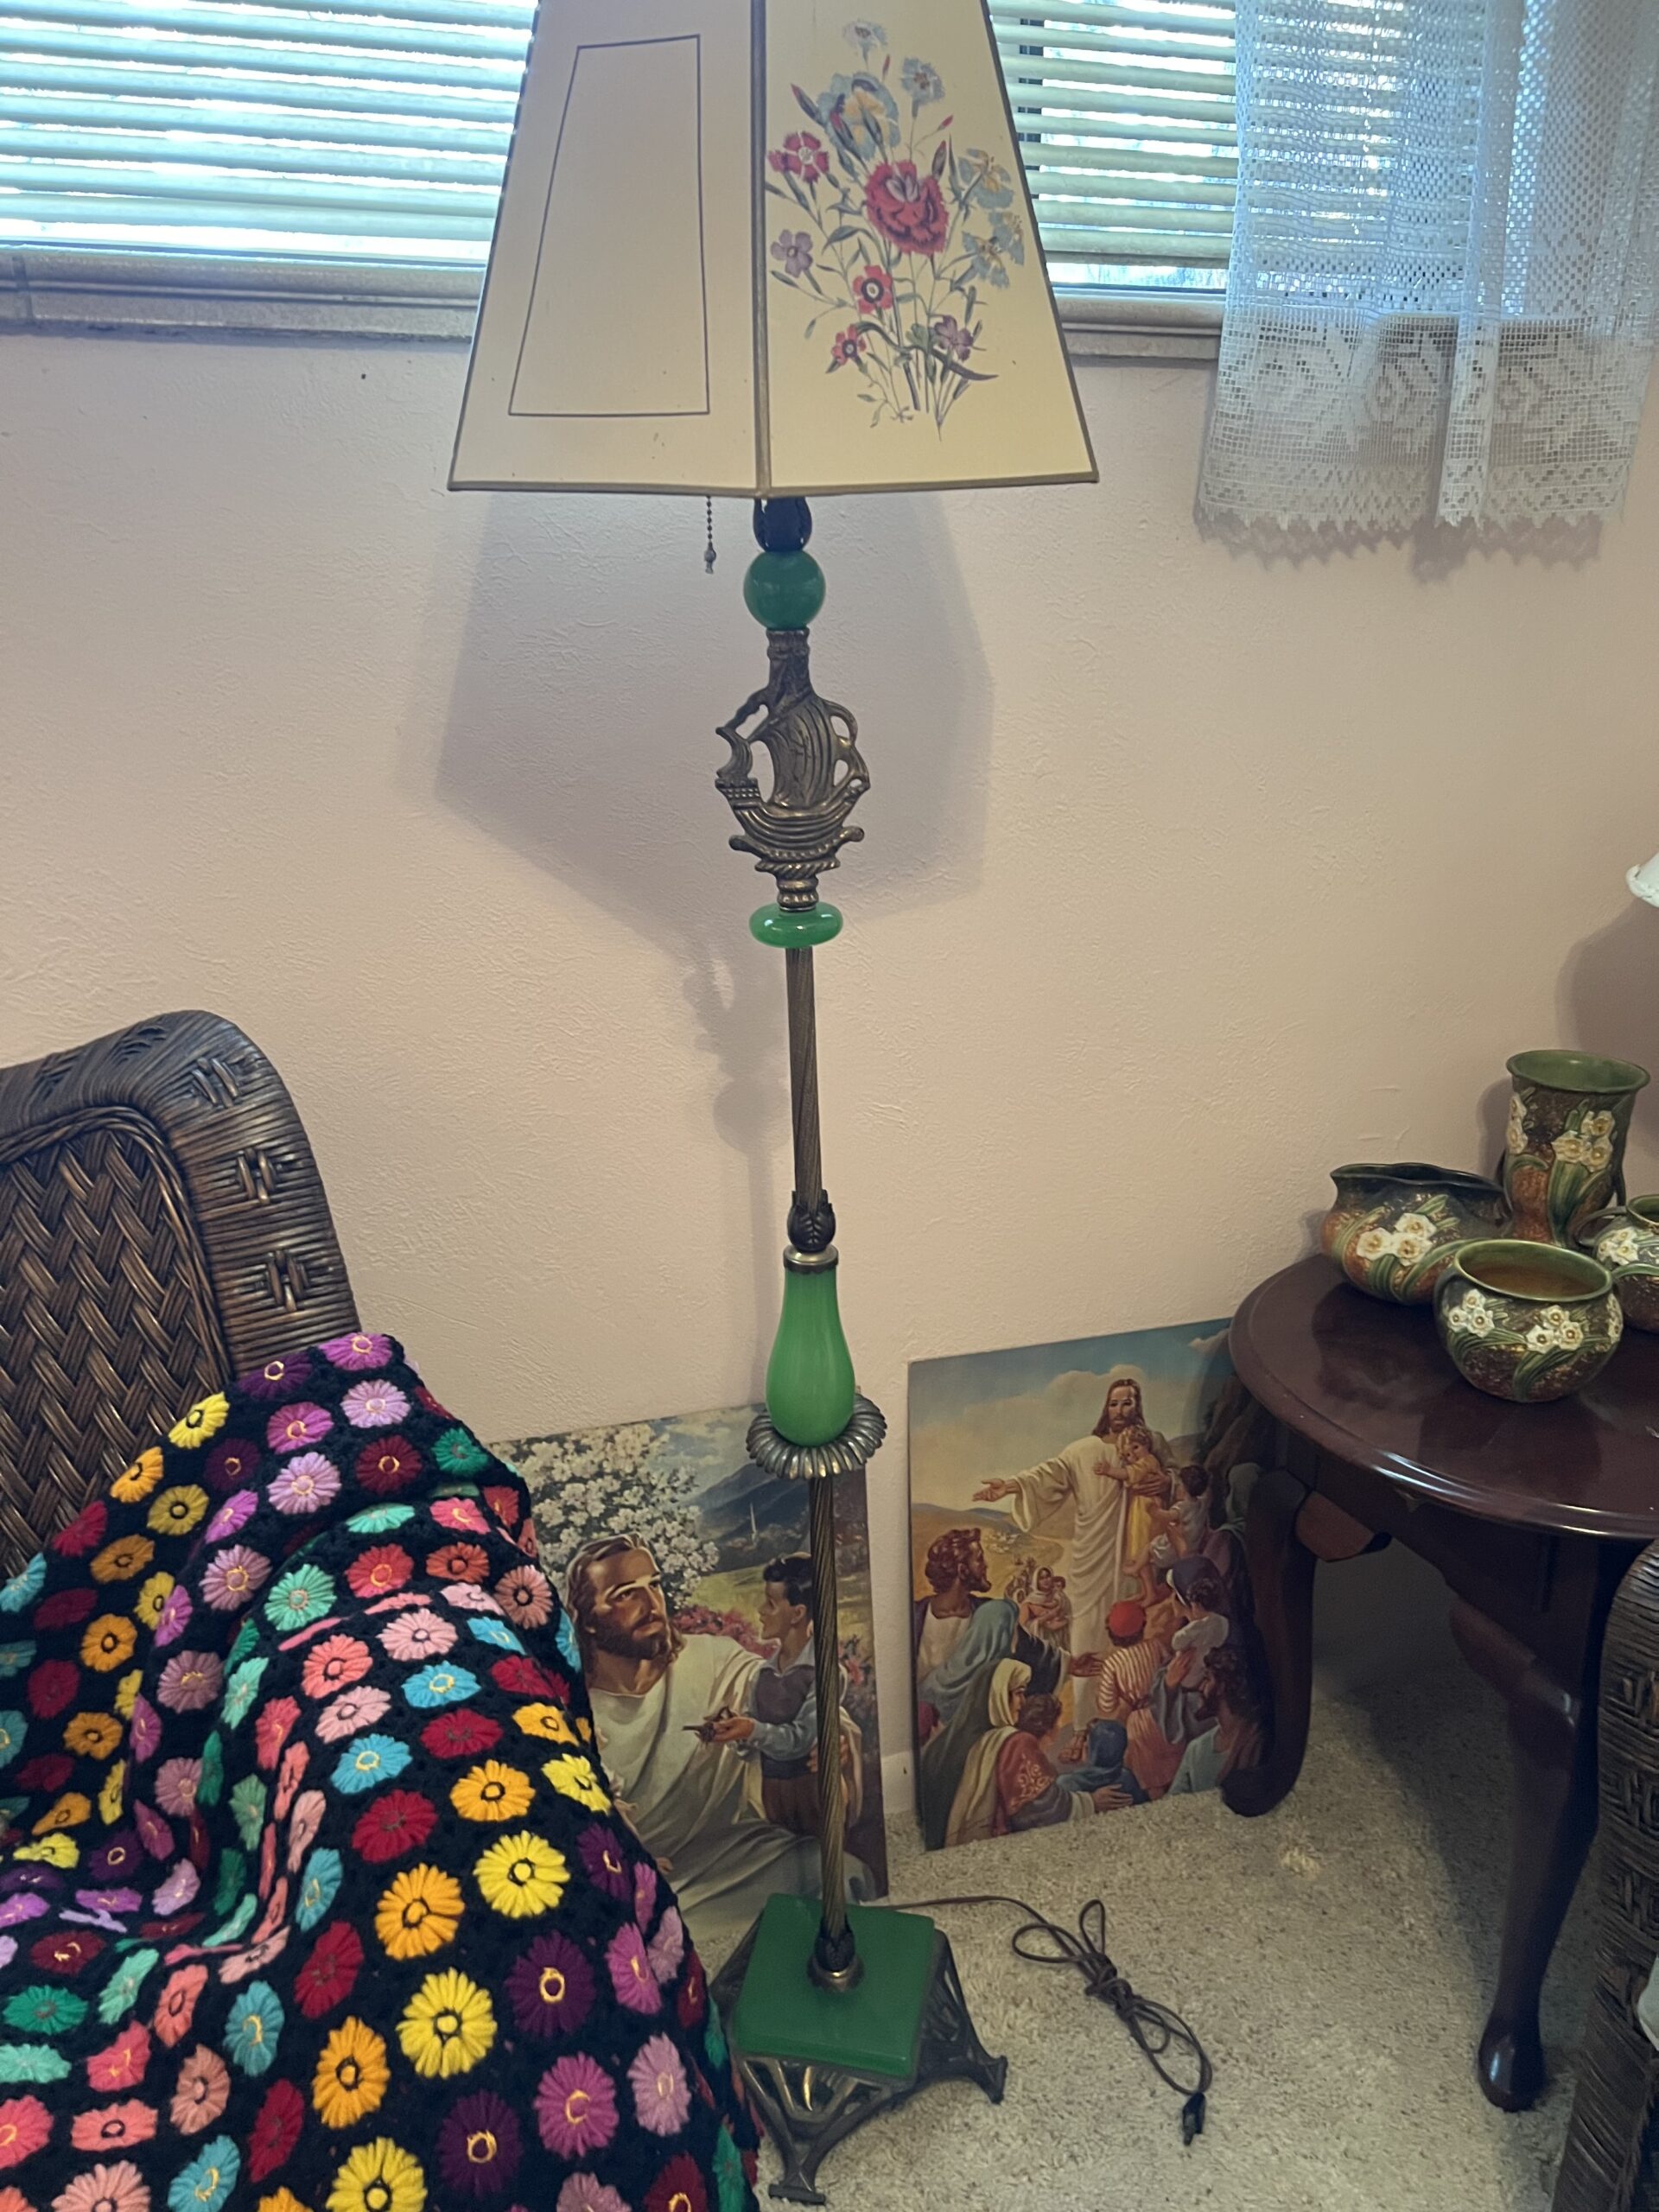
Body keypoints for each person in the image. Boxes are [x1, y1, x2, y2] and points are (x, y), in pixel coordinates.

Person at [568, 1535, 866, 1945]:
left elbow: (795, 1697)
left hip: (737, 1851)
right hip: (650, 1875)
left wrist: (833, 1735)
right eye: (625, 1594)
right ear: (587, 1618)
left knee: (839, 1873)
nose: (651, 1603)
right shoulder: (572, 1707)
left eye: (654, 1585)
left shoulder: (714, 1660)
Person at [973, 1375, 1176, 1679]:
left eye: (1127, 1403)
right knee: (1087, 1634)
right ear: (1106, 1408)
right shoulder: (1083, 1450)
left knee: (1132, 1627)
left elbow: (1180, 1477)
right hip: (1091, 1558)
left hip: (1134, 1548)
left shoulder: (1153, 1443)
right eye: (1114, 1404)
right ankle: (1086, 1705)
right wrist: (1010, 1486)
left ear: (1138, 1406)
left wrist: (1167, 1482)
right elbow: (1047, 1474)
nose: (1120, 1411)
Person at [944, 1662, 1129, 1845]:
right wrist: (1091, 1802)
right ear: (1000, 1696)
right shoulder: (1018, 1742)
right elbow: (1039, 1808)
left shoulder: (989, 1738)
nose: (1022, 1702)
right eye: (1018, 1693)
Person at [705, 1553, 819, 1838]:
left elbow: (800, 1740)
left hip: (811, 1792)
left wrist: (751, 1729)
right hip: (771, 1794)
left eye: (770, 1603)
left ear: (797, 1613)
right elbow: (752, 1746)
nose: (760, 1610)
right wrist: (734, 1730)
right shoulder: (763, 1674)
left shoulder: (820, 1671)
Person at [912, 1526, 1058, 1741]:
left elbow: (1032, 1652)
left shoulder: (990, 1615)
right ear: (962, 1570)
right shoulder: (915, 1617)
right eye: (979, 1559)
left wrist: (1069, 1663)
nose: (986, 1565)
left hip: (975, 1736)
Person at [1089, 1597, 1176, 1799]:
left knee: (1152, 1777)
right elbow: (1169, 1667)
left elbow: (1107, 1705)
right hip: (1165, 1710)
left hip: (1140, 1723)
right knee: (1172, 1766)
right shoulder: (1155, 1646)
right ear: (1142, 1626)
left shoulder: (1113, 1663)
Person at [1058, 1716, 1147, 1805]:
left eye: (1088, 1741)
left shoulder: (1066, 1783)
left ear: (1093, 1749)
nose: (1084, 1744)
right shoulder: (1127, 1778)